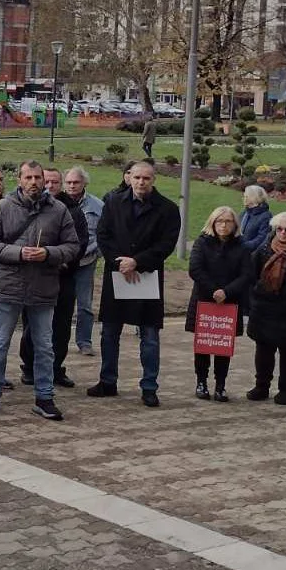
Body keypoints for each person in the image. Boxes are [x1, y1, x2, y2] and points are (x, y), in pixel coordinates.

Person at [0, 161, 81, 420]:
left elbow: (72, 246)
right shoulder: (2, 208)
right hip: (9, 285)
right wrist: (19, 253)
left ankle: (44, 397)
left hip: (43, 287)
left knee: (44, 346)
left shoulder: (59, 210)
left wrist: (48, 253)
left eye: (38, 177)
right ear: (20, 180)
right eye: (28, 177)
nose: (33, 182)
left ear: (45, 180)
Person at [91, 160, 180, 407]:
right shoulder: (113, 203)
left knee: (149, 336)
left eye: (146, 179)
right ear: (129, 177)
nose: (141, 182)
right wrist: (120, 262)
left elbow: (166, 244)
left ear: (154, 180)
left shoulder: (168, 209)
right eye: (137, 177)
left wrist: (137, 261)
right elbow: (103, 235)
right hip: (117, 273)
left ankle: (149, 386)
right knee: (109, 332)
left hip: (147, 276)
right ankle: (107, 381)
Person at [17, 167, 88, 389]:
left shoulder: (73, 210)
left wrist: (62, 262)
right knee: (33, 325)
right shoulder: (27, 206)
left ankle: (55, 367)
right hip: (35, 276)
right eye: (45, 181)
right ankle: (29, 367)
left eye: (54, 182)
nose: (49, 186)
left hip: (64, 277)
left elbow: (80, 242)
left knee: (61, 325)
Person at [242, 211, 286, 404]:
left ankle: (285, 390)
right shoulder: (266, 246)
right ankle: (261, 386)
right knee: (263, 349)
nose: (283, 233)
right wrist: (255, 294)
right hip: (265, 306)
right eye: (279, 229)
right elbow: (251, 271)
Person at [186, 206, 249, 402]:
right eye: (219, 221)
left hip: (229, 302)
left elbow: (247, 274)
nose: (223, 225)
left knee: (223, 347)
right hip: (205, 299)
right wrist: (214, 290)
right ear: (212, 223)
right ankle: (201, 382)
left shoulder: (242, 246)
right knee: (203, 345)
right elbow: (195, 269)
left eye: (228, 221)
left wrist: (227, 292)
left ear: (235, 224)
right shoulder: (202, 242)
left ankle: (221, 385)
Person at [62, 168, 105, 357]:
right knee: (60, 303)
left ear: (84, 183)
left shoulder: (97, 205)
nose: (72, 186)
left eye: (76, 182)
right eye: (69, 182)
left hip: (86, 262)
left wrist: (98, 254)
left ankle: (84, 341)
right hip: (62, 263)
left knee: (85, 305)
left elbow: (105, 233)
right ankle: (56, 340)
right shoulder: (55, 203)